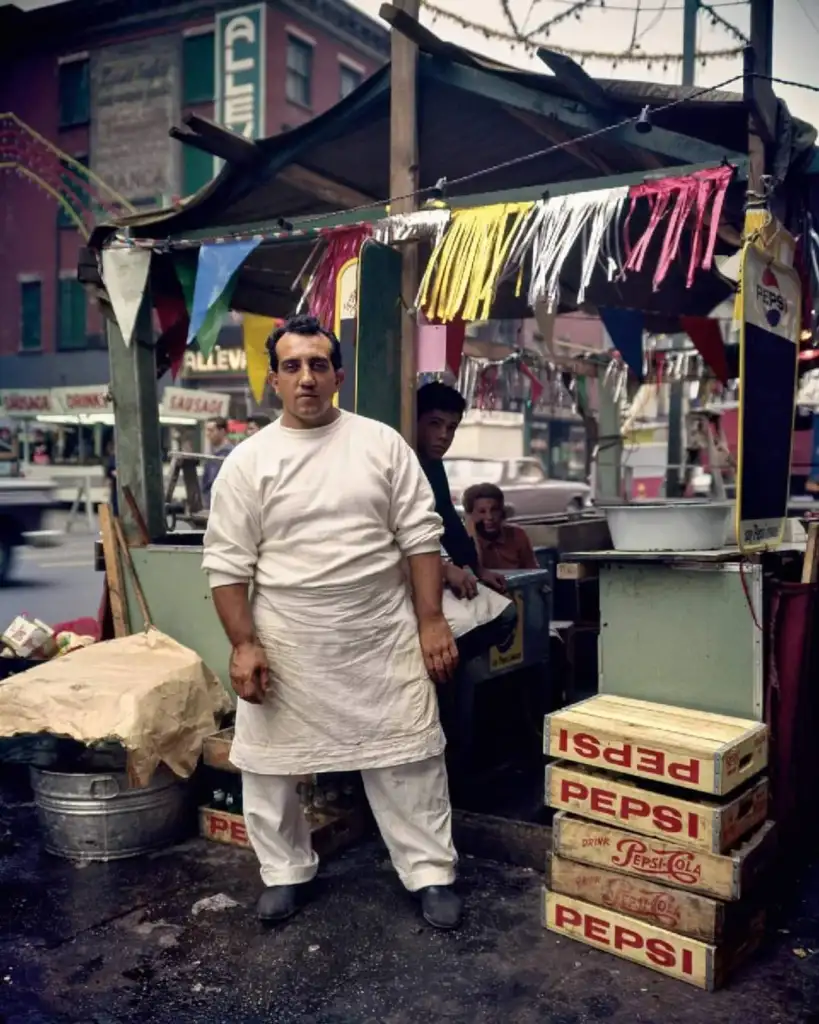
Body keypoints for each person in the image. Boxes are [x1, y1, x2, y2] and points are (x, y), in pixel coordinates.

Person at [202, 314, 463, 931]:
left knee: (409, 757)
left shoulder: (380, 444)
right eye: (292, 366)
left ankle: (430, 873)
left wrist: (431, 621)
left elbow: (421, 539)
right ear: (274, 380)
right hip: (288, 638)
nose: (306, 378)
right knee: (269, 768)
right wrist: (244, 644)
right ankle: (285, 872)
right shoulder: (249, 462)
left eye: (318, 365)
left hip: (380, 632)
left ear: (338, 375)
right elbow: (226, 565)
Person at [415, 382, 506, 598]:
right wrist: (444, 569)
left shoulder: (433, 465)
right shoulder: (400, 461)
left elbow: (446, 515)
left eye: (451, 428)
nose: (443, 435)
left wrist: (477, 568)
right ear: (415, 421)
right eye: (434, 424)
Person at [463, 483, 539, 571]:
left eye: (494, 510)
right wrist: (471, 535)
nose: (490, 517)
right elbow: (473, 572)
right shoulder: (464, 539)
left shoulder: (517, 534)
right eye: (482, 512)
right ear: (470, 515)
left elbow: (533, 571)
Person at [201, 417, 233, 507]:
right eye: (206, 430)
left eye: (211, 430)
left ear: (222, 431)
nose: (207, 434)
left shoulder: (231, 455)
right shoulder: (212, 456)